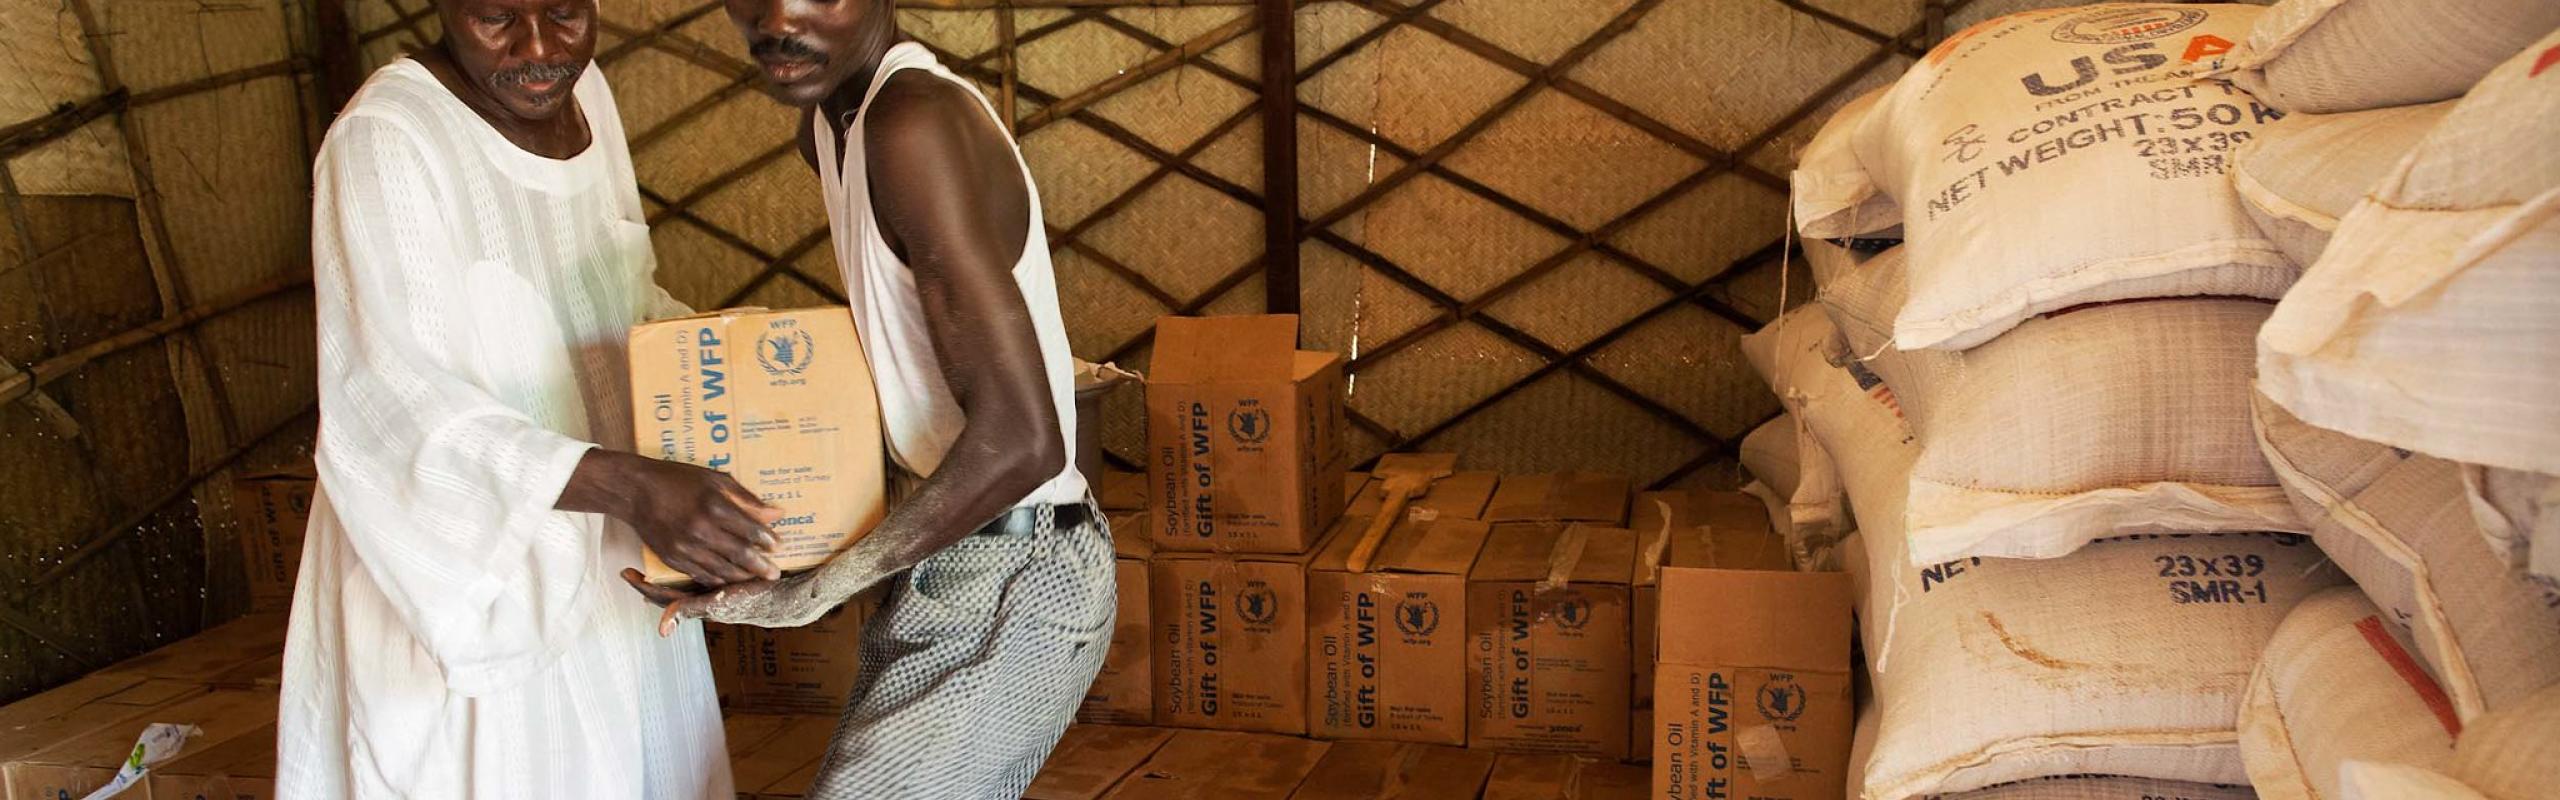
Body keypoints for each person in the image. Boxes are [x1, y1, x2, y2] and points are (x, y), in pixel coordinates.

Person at [282, 0, 777, 795]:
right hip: (466, 578)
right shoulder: (387, 140)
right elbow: (388, 400)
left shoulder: (590, 97)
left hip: (614, 560)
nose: (539, 48)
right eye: (496, 17)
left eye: (564, 14)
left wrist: (746, 367)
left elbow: (622, 301)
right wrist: (630, 484)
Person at [622, 0, 1116, 796]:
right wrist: (773, 541)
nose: (778, 17)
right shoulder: (828, 128)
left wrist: (811, 591)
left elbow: (1029, 440)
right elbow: (894, 362)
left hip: (1022, 566)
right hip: (949, 549)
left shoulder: (910, 122)